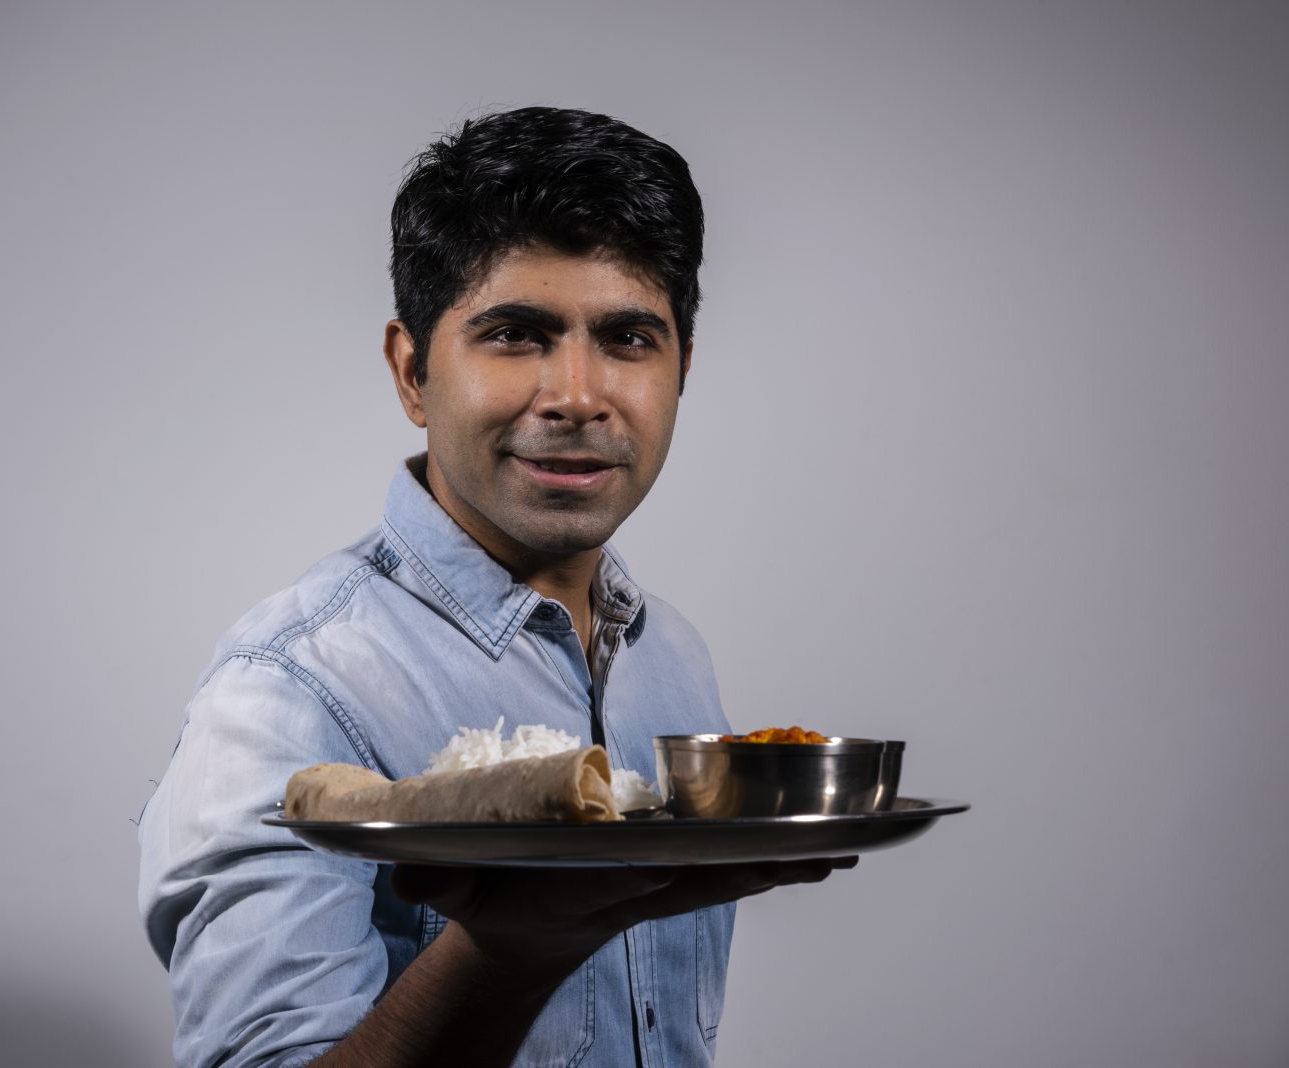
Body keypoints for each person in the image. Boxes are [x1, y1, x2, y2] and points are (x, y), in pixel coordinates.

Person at [137, 106, 853, 1068]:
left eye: (630, 338)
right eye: (516, 334)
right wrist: (507, 955)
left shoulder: (668, 656)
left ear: (683, 368)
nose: (577, 395)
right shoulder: (288, 693)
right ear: (413, 372)